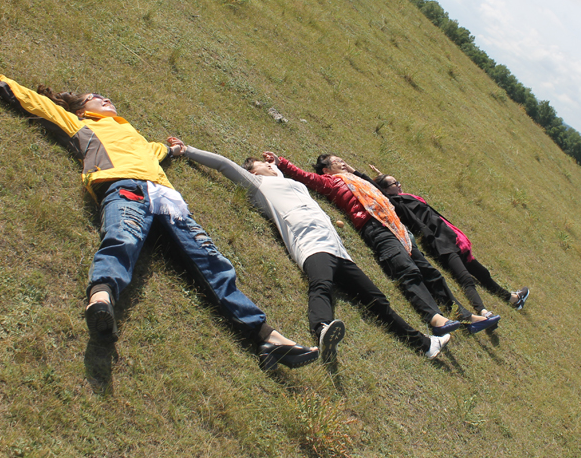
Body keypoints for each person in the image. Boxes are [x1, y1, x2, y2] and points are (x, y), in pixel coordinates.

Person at [0, 54, 316, 371]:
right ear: (80, 109)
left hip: (167, 200)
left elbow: (156, 151)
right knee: (121, 239)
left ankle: (268, 337)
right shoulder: (81, 125)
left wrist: (174, 150)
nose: (105, 99)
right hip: (122, 187)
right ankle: (101, 300)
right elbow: (34, 102)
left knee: (212, 261)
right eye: (96, 98)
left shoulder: (134, 135)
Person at [165, 140, 452, 361]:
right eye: (262, 165)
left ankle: (425, 344)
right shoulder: (259, 185)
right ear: (253, 172)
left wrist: (282, 164)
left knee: (378, 301)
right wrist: (186, 150)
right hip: (311, 245)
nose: (268, 166)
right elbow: (224, 165)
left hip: (340, 251)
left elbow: (308, 180)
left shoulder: (292, 185)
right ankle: (323, 328)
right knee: (321, 285)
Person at [269, 152, 501, 336]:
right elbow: (306, 177)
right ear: (326, 169)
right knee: (407, 271)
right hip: (374, 228)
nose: (343, 162)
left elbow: (379, 190)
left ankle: (465, 316)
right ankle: (436, 319)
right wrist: (282, 163)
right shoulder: (331, 183)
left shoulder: (359, 180)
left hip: (398, 228)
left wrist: (355, 171)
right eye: (337, 161)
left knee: (431, 272)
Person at [369, 169, 529, 315]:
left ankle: (512, 299)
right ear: (386, 190)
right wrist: (355, 172)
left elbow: (390, 188)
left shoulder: (406, 197)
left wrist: (382, 176)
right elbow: (384, 193)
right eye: (395, 183)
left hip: (450, 236)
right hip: (439, 241)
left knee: (482, 272)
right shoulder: (397, 204)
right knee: (464, 277)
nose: (399, 184)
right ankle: (483, 312)